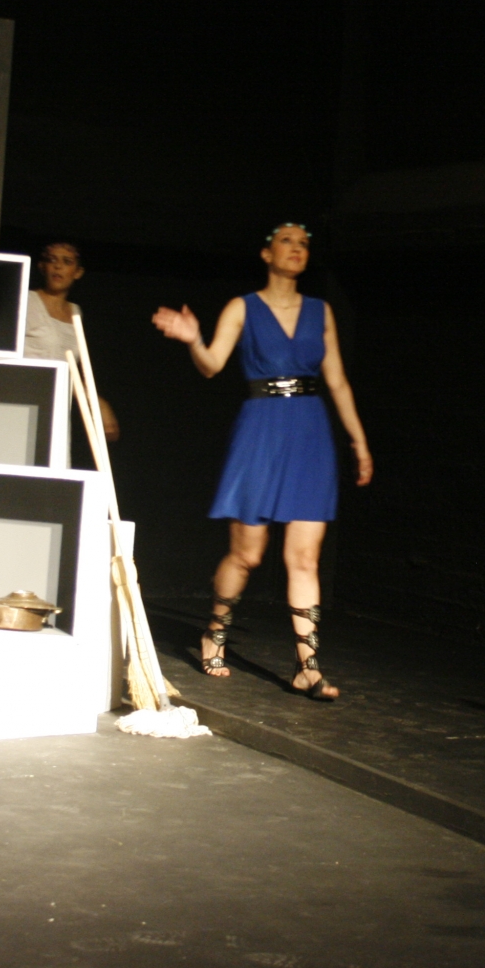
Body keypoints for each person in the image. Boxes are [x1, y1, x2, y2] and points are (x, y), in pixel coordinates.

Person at [151, 223, 373, 702]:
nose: (297, 249)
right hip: (261, 430)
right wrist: (193, 338)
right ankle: (215, 631)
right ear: (266, 253)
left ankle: (307, 668)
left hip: (310, 433)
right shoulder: (243, 307)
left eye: (304, 244)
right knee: (247, 555)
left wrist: (359, 441)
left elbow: (337, 381)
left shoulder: (320, 311)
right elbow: (212, 364)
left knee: (304, 557)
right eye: (287, 242)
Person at [25, 240, 118, 441]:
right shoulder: (27, 302)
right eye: (52, 260)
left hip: (55, 405)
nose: (58, 267)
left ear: (77, 272)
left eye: (67, 262)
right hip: (24, 396)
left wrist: (97, 402)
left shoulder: (75, 311)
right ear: (42, 266)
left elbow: (68, 369)